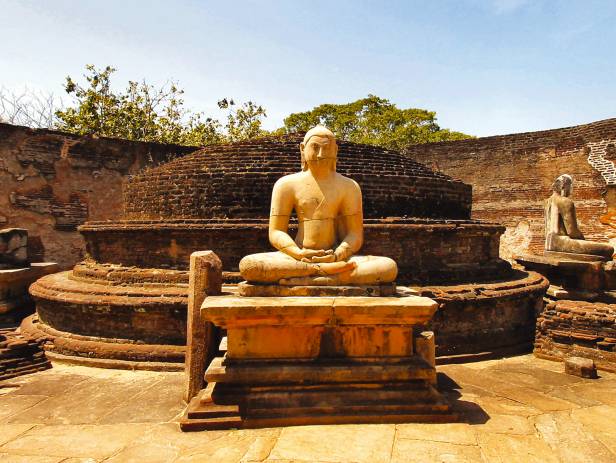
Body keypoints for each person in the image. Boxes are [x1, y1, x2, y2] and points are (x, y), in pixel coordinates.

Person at [239, 125, 398, 285]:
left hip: (336, 256)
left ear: (335, 150)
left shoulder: (349, 186)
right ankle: (329, 276)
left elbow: (355, 235)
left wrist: (337, 255)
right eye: (315, 147)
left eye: (327, 148)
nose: (321, 154)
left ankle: (304, 277)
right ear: (302, 149)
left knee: (388, 267)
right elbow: (276, 232)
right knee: (250, 266)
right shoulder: (286, 184)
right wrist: (298, 253)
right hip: (297, 256)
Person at [545, 174, 613, 259]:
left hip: (549, 243)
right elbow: (572, 232)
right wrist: (582, 239)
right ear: (564, 186)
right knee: (608, 249)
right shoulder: (565, 201)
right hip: (561, 243)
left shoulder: (547, 202)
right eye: (570, 186)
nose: (570, 190)